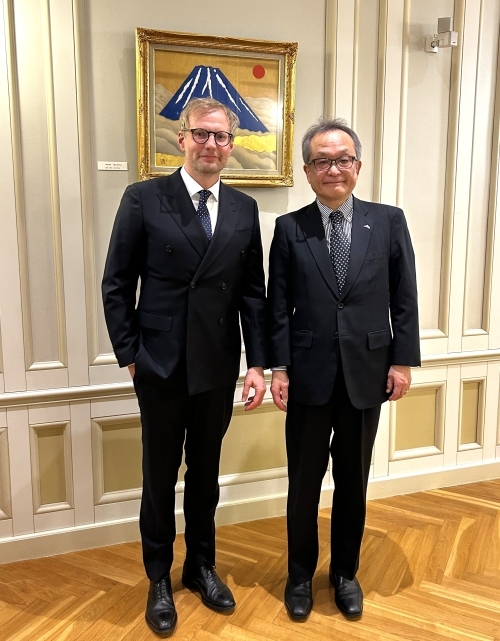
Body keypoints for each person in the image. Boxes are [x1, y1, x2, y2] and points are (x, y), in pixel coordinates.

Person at [102, 98, 267, 637]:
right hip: (161, 366)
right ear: (182, 138)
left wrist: (258, 363)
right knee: (158, 478)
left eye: (221, 137)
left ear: (232, 145)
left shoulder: (244, 208)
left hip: (217, 366)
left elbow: (253, 294)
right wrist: (131, 356)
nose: (211, 145)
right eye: (201, 134)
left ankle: (200, 566)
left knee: (205, 475)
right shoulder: (144, 197)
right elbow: (116, 283)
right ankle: (158, 577)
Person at [268, 118, 420, 621]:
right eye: (322, 161)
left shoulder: (389, 221)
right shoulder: (289, 228)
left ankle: (345, 574)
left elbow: (404, 297)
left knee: (353, 481)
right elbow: (277, 306)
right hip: (307, 377)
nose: (333, 169)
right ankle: (299, 576)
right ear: (307, 170)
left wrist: (402, 361)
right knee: (303, 484)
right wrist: (279, 369)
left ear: (358, 164)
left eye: (342, 160)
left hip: (367, 374)